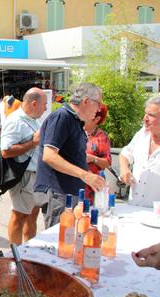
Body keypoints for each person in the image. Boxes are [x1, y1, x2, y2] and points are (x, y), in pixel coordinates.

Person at [34, 83, 105, 228]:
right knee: (59, 241)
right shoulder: (63, 117)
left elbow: (72, 156)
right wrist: (84, 175)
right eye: (98, 104)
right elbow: (49, 155)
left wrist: (89, 174)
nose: (99, 110)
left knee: (68, 240)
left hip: (67, 193)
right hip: (58, 193)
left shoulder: (74, 120)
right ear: (86, 101)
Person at [1, 88, 46, 245]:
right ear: (34, 104)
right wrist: (33, 143)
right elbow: (5, 151)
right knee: (19, 215)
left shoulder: (33, 120)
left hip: (35, 175)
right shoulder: (15, 121)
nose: (46, 108)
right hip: (24, 176)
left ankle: (28, 250)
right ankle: (15, 253)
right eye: (44, 104)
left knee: (33, 212)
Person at [119, 94, 160, 208]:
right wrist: (124, 168)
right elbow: (125, 153)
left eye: (151, 115)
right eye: (145, 113)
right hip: (133, 210)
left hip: (159, 217)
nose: (145, 119)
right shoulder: (142, 134)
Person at [84, 103, 111, 203]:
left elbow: (107, 162)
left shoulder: (101, 137)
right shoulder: (76, 131)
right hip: (74, 182)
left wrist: (92, 158)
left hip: (92, 185)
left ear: (96, 119)